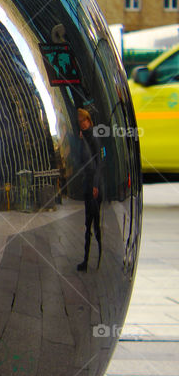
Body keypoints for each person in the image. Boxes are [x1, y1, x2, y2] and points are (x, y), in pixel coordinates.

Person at [77, 108, 103, 272]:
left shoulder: (93, 136)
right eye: (80, 121)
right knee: (89, 224)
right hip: (88, 186)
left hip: (94, 187)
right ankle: (86, 260)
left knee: (95, 224)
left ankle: (99, 255)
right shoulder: (83, 138)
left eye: (84, 120)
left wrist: (95, 185)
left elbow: (98, 163)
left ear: (89, 120)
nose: (83, 123)